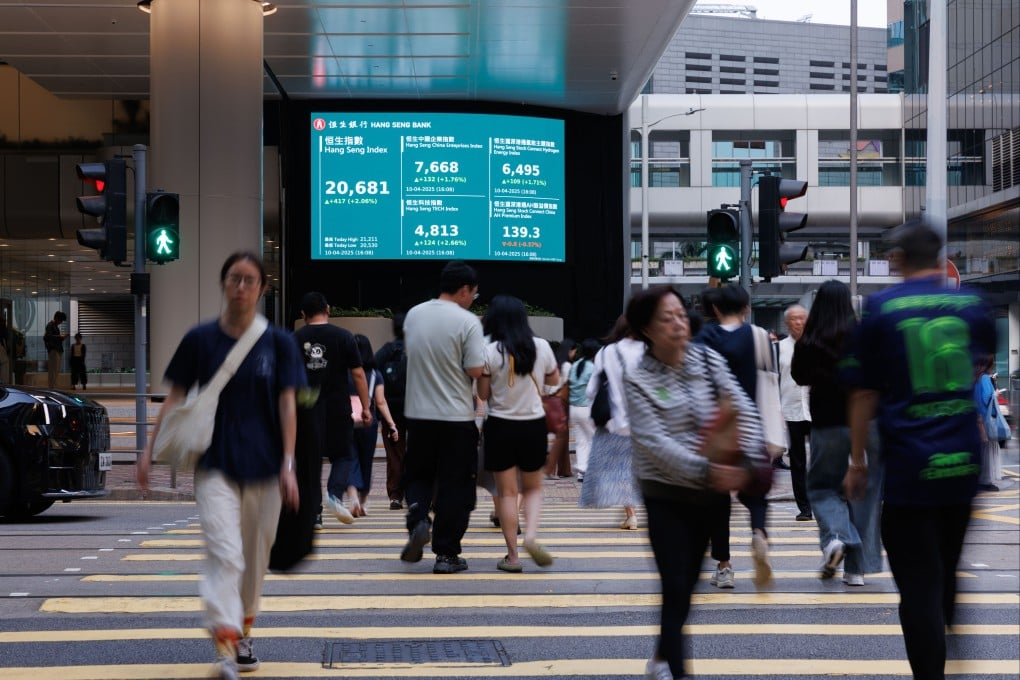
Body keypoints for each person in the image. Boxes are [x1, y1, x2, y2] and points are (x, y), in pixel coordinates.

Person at [136, 251, 306, 680]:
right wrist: (147, 451)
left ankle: (243, 630)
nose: (242, 287)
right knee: (224, 552)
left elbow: (289, 405)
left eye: (250, 280)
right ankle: (225, 642)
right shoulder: (200, 339)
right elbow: (174, 398)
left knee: (254, 559)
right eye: (235, 278)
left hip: (266, 468)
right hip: (215, 465)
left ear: (262, 289)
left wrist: (289, 463)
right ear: (223, 283)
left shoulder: (279, 343)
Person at [842, 220, 996, 680]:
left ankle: (931, 672)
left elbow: (864, 393)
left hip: (911, 465)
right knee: (946, 568)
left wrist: (857, 460)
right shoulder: (973, 304)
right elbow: (978, 369)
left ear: (899, 259)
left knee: (918, 585)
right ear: (938, 256)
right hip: (963, 461)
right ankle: (948, 640)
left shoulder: (882, 308)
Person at [624, 286, 766, 680]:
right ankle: (677, 670)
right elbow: (655, 444)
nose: (677, 323)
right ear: (646, 330)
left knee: (687, 588)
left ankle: (660, 656)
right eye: (666, 318)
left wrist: (753, 459)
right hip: (665, 493)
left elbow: (741, 406)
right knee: (675, 583)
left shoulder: (707, 359)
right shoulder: (638, 377)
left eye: (680, 315)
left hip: (710, 495)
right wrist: (710, 470)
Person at [792, 280, 883, 586]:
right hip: (869, 423)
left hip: (827, 422)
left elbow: (798, 375)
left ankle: (836, 539)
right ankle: (856, 571)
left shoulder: (811, 339)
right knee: (864, 496)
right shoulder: (863, 337)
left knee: (822, 488)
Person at [399, 260, 486, 574]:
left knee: (419, 474)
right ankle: (446, 555)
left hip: (418, 415)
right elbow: (475, 369)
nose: (471, 299)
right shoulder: (468, 322)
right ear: (464, 290)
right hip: (455, 417)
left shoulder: (414, 314)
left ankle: (419, 518)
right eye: (473, 294)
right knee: (455, 485)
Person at [695, 284, 773, 588]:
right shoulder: (758, 336)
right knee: (756, 492)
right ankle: (759, 533)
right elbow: (769, 382)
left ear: (715, 309)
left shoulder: (703, 339)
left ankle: (724, 566)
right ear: (746, 308)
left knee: (716, 500)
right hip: (750, 425)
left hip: (715, 431)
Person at [476, 295, 560, 572]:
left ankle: (512, 557)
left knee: (508, 493)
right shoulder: (542, 347)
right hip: (533, 425)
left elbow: (483, 395)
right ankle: (532, 537)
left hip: (500, 425)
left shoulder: (490, 350)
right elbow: (553, 382)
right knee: (534, 488)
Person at [293, 292, 371, 527]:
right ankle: (334, 495)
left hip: (305, 408)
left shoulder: (294, 339)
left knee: (309, 461)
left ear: (303, 314)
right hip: (338, 407)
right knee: (343, 455)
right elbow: (358, 373)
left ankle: (314, 514)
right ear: (328, 309)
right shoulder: (344, 337)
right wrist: (366, 407)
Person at [580, 315, 643, 530]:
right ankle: (638, 511)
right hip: (644, 422)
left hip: (613, 422)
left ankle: (631, 514)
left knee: (621, 469)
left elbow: (590, 390)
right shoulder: (651, 351)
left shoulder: (606, 353)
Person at [346, 333, 399, 517]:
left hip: (347, 421)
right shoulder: (376, 375)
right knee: (365, 462)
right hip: (368, 423)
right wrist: (392, 424)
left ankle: (352, 499)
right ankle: (363, 502)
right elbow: (381, 402)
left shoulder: (343, 372)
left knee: (350, 460)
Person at [778, 304, 811, 520]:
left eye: (801, 318)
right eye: (793, 319)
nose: (798, 322)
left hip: (816, 408)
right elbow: (773, 380)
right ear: (786, 323)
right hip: (790, 410)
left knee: (821, 458)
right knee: (797, 461)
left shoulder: (816, 344)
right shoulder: (778, 348)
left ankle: (823, 499)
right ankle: (804, 508)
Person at [374, 313, 408, 510]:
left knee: (394, 452)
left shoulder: (387, 350)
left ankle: (395, 495)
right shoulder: (418, 349)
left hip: (391, 408)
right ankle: (419, 494)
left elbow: (371, 369)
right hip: (417, 407)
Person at [568, 338, 599, 483]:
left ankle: (582, 471)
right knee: (594, 439)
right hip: (587, 408)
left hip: (573, 409)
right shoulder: (592, 368)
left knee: (581, 441)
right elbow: (596, 389)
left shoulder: (575, 366)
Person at [543, 338, 574, 479]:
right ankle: (551, 470)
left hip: (546, 401)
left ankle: (562, 469)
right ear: (570, 351)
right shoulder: (567, 365)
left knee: (550, 435)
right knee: (561, 436)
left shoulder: (552, 363)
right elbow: (567, 386)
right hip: (559, 402)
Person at [974, 358, 1003, 492]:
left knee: (983, 450)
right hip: (988, 419)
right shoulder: (985, 378)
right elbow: (987, 398)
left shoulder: (977, 378)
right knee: (989, 450)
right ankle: (986, 480)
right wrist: (996, 393)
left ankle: (981, 479)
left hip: (979, 418)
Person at [44, 310, 67, 388]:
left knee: (55, 370)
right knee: (54, 370)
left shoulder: (54, 326)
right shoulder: (50, 326)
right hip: (54, 349)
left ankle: (53, 386)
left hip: (56, 349)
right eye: (60, 320)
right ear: (57, 318)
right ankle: (52, 386)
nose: (60, 322)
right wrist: (59, 337)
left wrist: (60, 338)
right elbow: (48, 337)